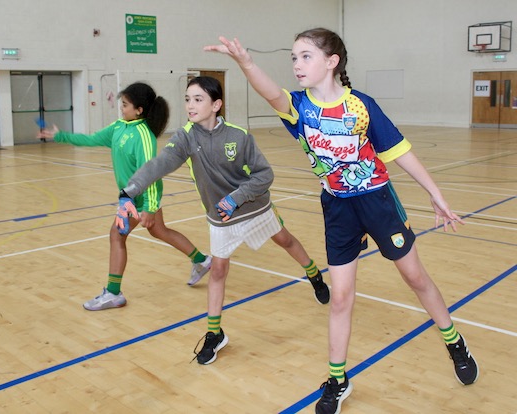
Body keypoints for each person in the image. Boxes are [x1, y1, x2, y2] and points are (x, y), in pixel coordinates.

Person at [204, 29, 478, 413]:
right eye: (294, 58)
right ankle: (338, 378)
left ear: (331, 62)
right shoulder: (298, 107)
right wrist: (246, 62)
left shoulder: (362, 106)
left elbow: (401, 152)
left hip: (378, 202)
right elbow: (269, 91)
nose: (297, 65)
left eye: (305, 57)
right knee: (341, 297)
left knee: (415, 278)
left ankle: (454, 342)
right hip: (337, 208)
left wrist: (436, 194)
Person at [115, 76, 330, 365]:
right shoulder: (185, 137)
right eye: (188, 99)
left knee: (285, 240)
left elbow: (264, 175)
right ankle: (215, 334)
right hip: (220, 217)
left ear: (216, 105)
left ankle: (314, 274)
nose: (190, 105)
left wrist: (236, 197)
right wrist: (128, 191)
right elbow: (157, 165)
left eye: (198, 99)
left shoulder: (239, 136)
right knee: (218, 271)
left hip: (253, 207)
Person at [37, 82, 212, 311]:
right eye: (122, 103)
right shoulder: (119, 127)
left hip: (139, 197)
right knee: (159, 231)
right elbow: (91, 140)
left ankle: (113, 293)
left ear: (139, 109)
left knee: (116, 235)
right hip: (131, 196)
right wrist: (60, 136)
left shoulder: (143, 136)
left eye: (126, 104)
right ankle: (201, 260)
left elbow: (151, 172)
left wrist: (149, 207)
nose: (122, 108)